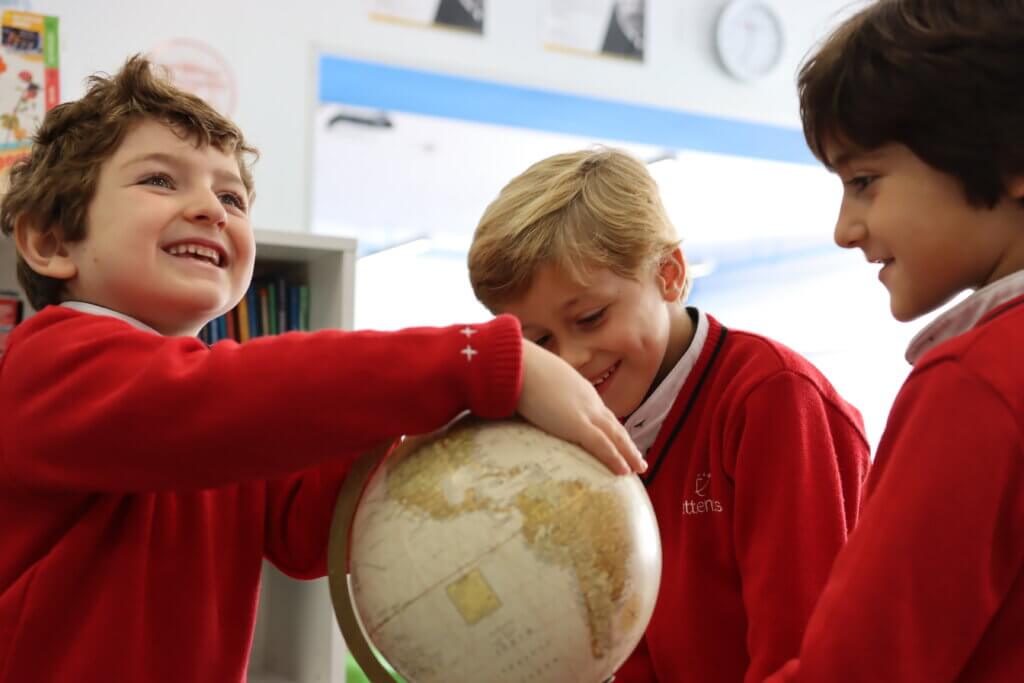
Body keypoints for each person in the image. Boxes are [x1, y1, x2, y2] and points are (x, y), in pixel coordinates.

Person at [0, 56, 646, 683]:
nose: (211, 208)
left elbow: (309, 532)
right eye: (160, 180)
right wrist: (478, 362)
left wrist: (440, 437)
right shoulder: (53, 362)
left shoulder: (215, 423)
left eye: (231, 195)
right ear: (52, 241)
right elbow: (226, 397)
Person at [467, 147, 871, 682]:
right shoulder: (563, 423)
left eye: (590, 317)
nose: (569, 361)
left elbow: (803, 654)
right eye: (538, 342)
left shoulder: (774, 400)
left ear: (670, 274)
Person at [764, 1, 1024, 681]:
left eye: (864, 182)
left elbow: (857, 668)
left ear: (1011, 159)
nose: (845, 229)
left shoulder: (977, 383)